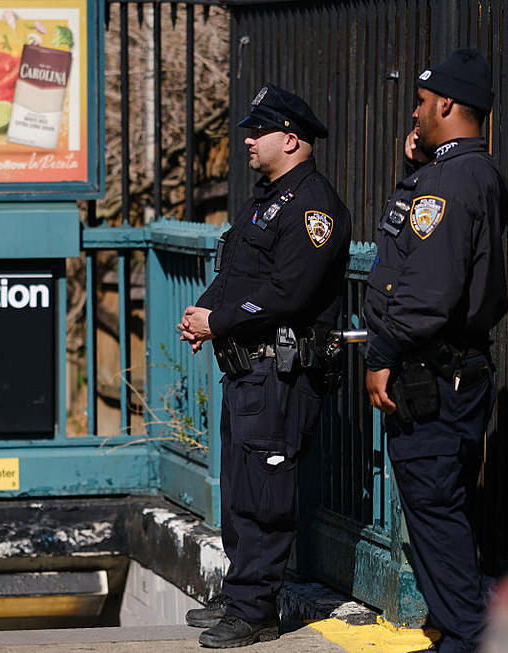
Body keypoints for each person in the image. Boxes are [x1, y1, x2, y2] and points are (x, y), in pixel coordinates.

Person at [178, 84, 351, 649]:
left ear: (292, 139)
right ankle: (239, 595)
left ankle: (255, 610)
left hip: (281, 372)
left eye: (259, 132)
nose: (248, 140)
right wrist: (205, 309)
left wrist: (219, 321)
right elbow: (240, 272)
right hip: (247, 370)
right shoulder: (264, 199)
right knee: (239, 491)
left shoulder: (312, 205)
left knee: (265, 495)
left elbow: (288, 293)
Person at [363, 48, 508, 653]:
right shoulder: (471, 172)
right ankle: (464, 630)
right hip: (459, 373)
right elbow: (425, 245)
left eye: (422, 103)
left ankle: (472, 636)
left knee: (434, 507)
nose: (416, 113)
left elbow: (425, 290)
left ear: (446, 103)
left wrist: (380, 354)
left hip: (431, 374)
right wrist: (418, 171)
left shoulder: (448, 182)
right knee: (448, 507)